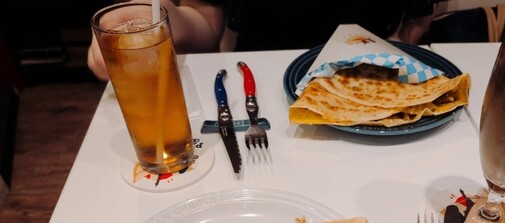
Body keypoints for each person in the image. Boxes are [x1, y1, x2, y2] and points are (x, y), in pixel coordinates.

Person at [87, 0, 445, 81]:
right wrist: (164, 18)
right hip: (256, 80)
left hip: (377, 73)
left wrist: (395, 58)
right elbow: (206, 19)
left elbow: (416, 17)